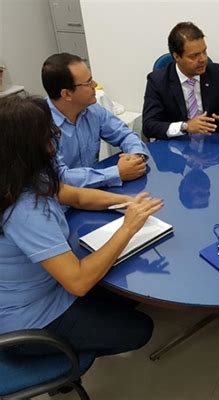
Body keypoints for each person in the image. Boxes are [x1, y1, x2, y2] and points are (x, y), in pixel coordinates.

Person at [0, 95, 162, 357]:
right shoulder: (26, 211)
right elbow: (78, 282)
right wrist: (127, 228)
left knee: (133, 295)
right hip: (32, 320)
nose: (56, 135)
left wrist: (126, 202)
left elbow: (75, 195)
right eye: (48, 132)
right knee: (140, 328)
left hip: (51, 285)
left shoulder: (21, 175)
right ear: (29, 145)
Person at [42, 53, 150, 188]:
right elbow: (60, 178)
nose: (95, 84)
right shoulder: (39, 124)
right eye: (88, 82)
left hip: (95, 189)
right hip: (60, 202)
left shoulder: (92, 109)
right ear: (66, 94)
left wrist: (135, 155)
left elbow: (124, 134)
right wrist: (116, 173)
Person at [142, 22, 219, 139]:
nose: (203, 59)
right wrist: (185, 126)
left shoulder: (215, 73)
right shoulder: (157, 81)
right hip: (175, 148)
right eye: (194, 56)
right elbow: (149, 126)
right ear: (177, 57)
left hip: (211, 146)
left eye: (204, 51)